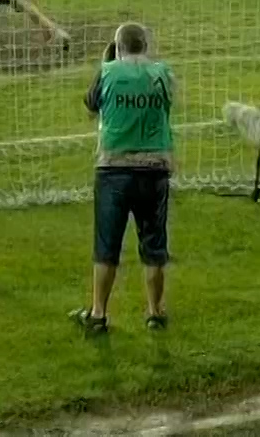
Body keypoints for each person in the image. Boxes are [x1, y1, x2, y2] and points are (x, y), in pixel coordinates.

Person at [71, 21, 176, 336]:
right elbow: (167, 102)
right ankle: (155, 313)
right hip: (155, 169)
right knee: (154, 244)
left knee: (107, 245)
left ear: (117, 47)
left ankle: (98, 314)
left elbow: (91, 107)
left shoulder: (107, 72)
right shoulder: (163, 74)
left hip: (113, 170)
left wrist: (107, 63)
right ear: (146, 45)